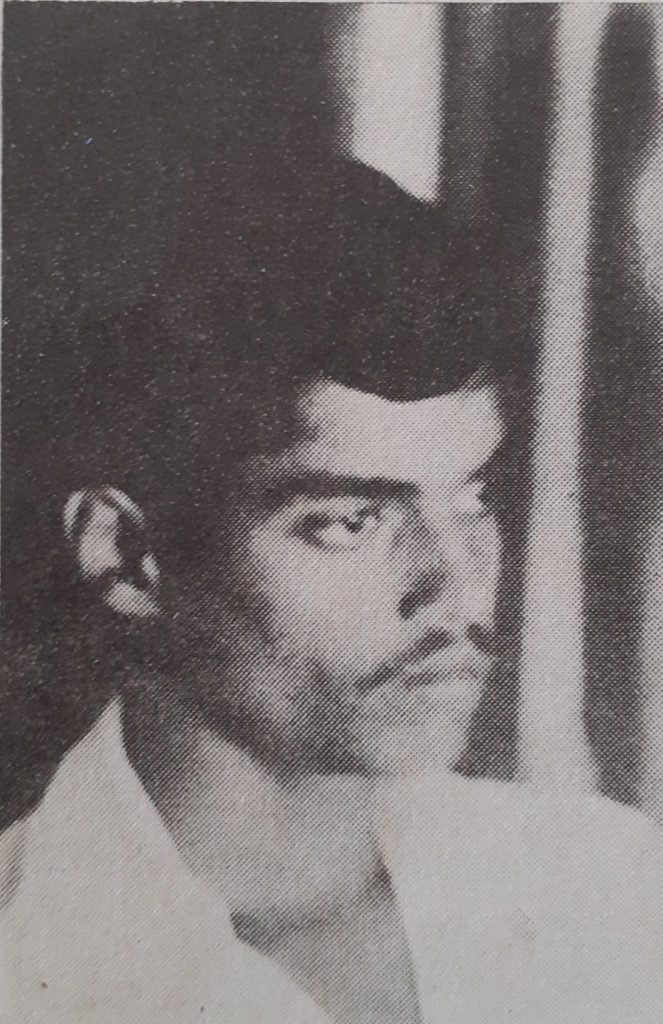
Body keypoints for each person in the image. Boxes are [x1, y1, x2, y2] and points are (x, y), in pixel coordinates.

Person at [1, 162, 661, 1024]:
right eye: (348, 522)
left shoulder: (608, 889)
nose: (455, 585)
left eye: (472, 501)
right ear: (125, 556)